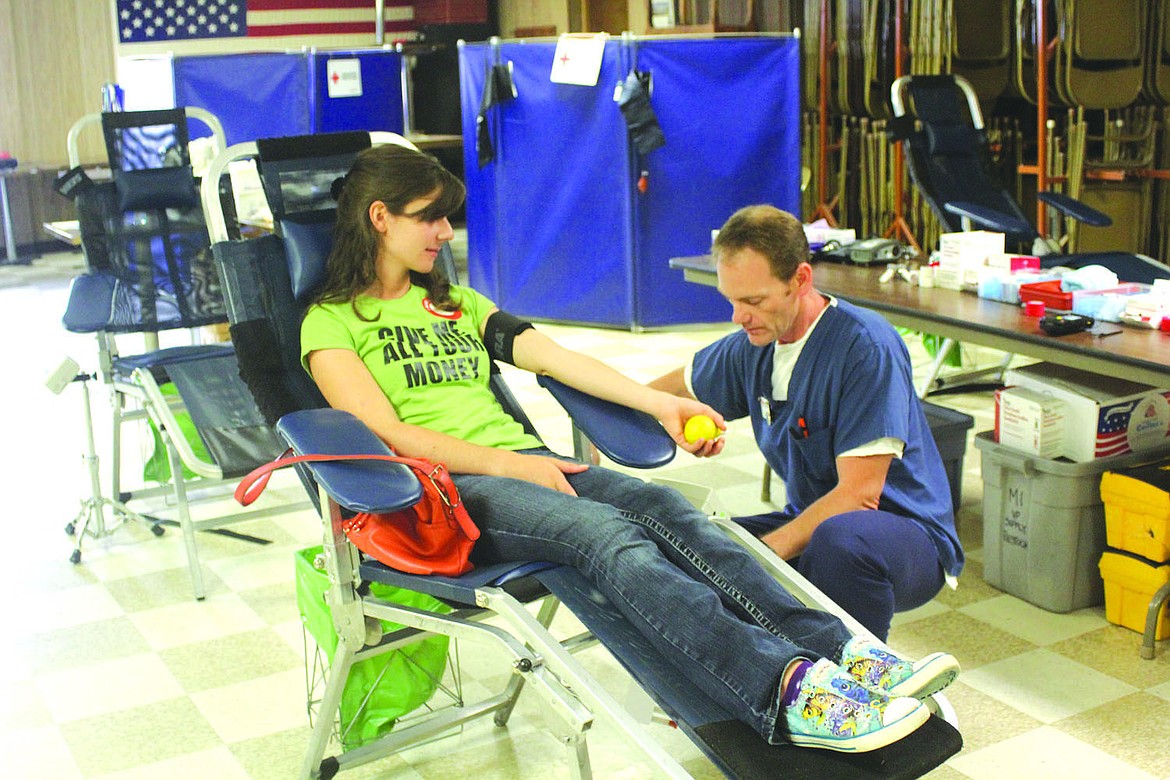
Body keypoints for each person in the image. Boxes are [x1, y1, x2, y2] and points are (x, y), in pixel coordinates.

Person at [299, 143, 959, 753]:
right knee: (609, 540)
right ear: (380, 218)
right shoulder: (328, 323)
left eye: (448, 219)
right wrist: (509, 462)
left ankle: (841, 652)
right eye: (430, 219)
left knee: (672, 515)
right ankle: (786, 691)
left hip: (533, 469)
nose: (446, 234)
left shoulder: (458, 305)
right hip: (451, 493)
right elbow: (383, 432)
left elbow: (559, 359)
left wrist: (660, 403)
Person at [650, 204, 965, 641]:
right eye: (732, 301)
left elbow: (858, 497)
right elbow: (659, 394)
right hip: (815, 523)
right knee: (692, 543)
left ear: (800, 279)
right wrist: (615, 418)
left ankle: (861, 687)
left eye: (753, 301)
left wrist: (762, 558)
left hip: (905, 536)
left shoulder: (864, 347)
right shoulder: (756, 340)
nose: (738, 317)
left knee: (838, 545)